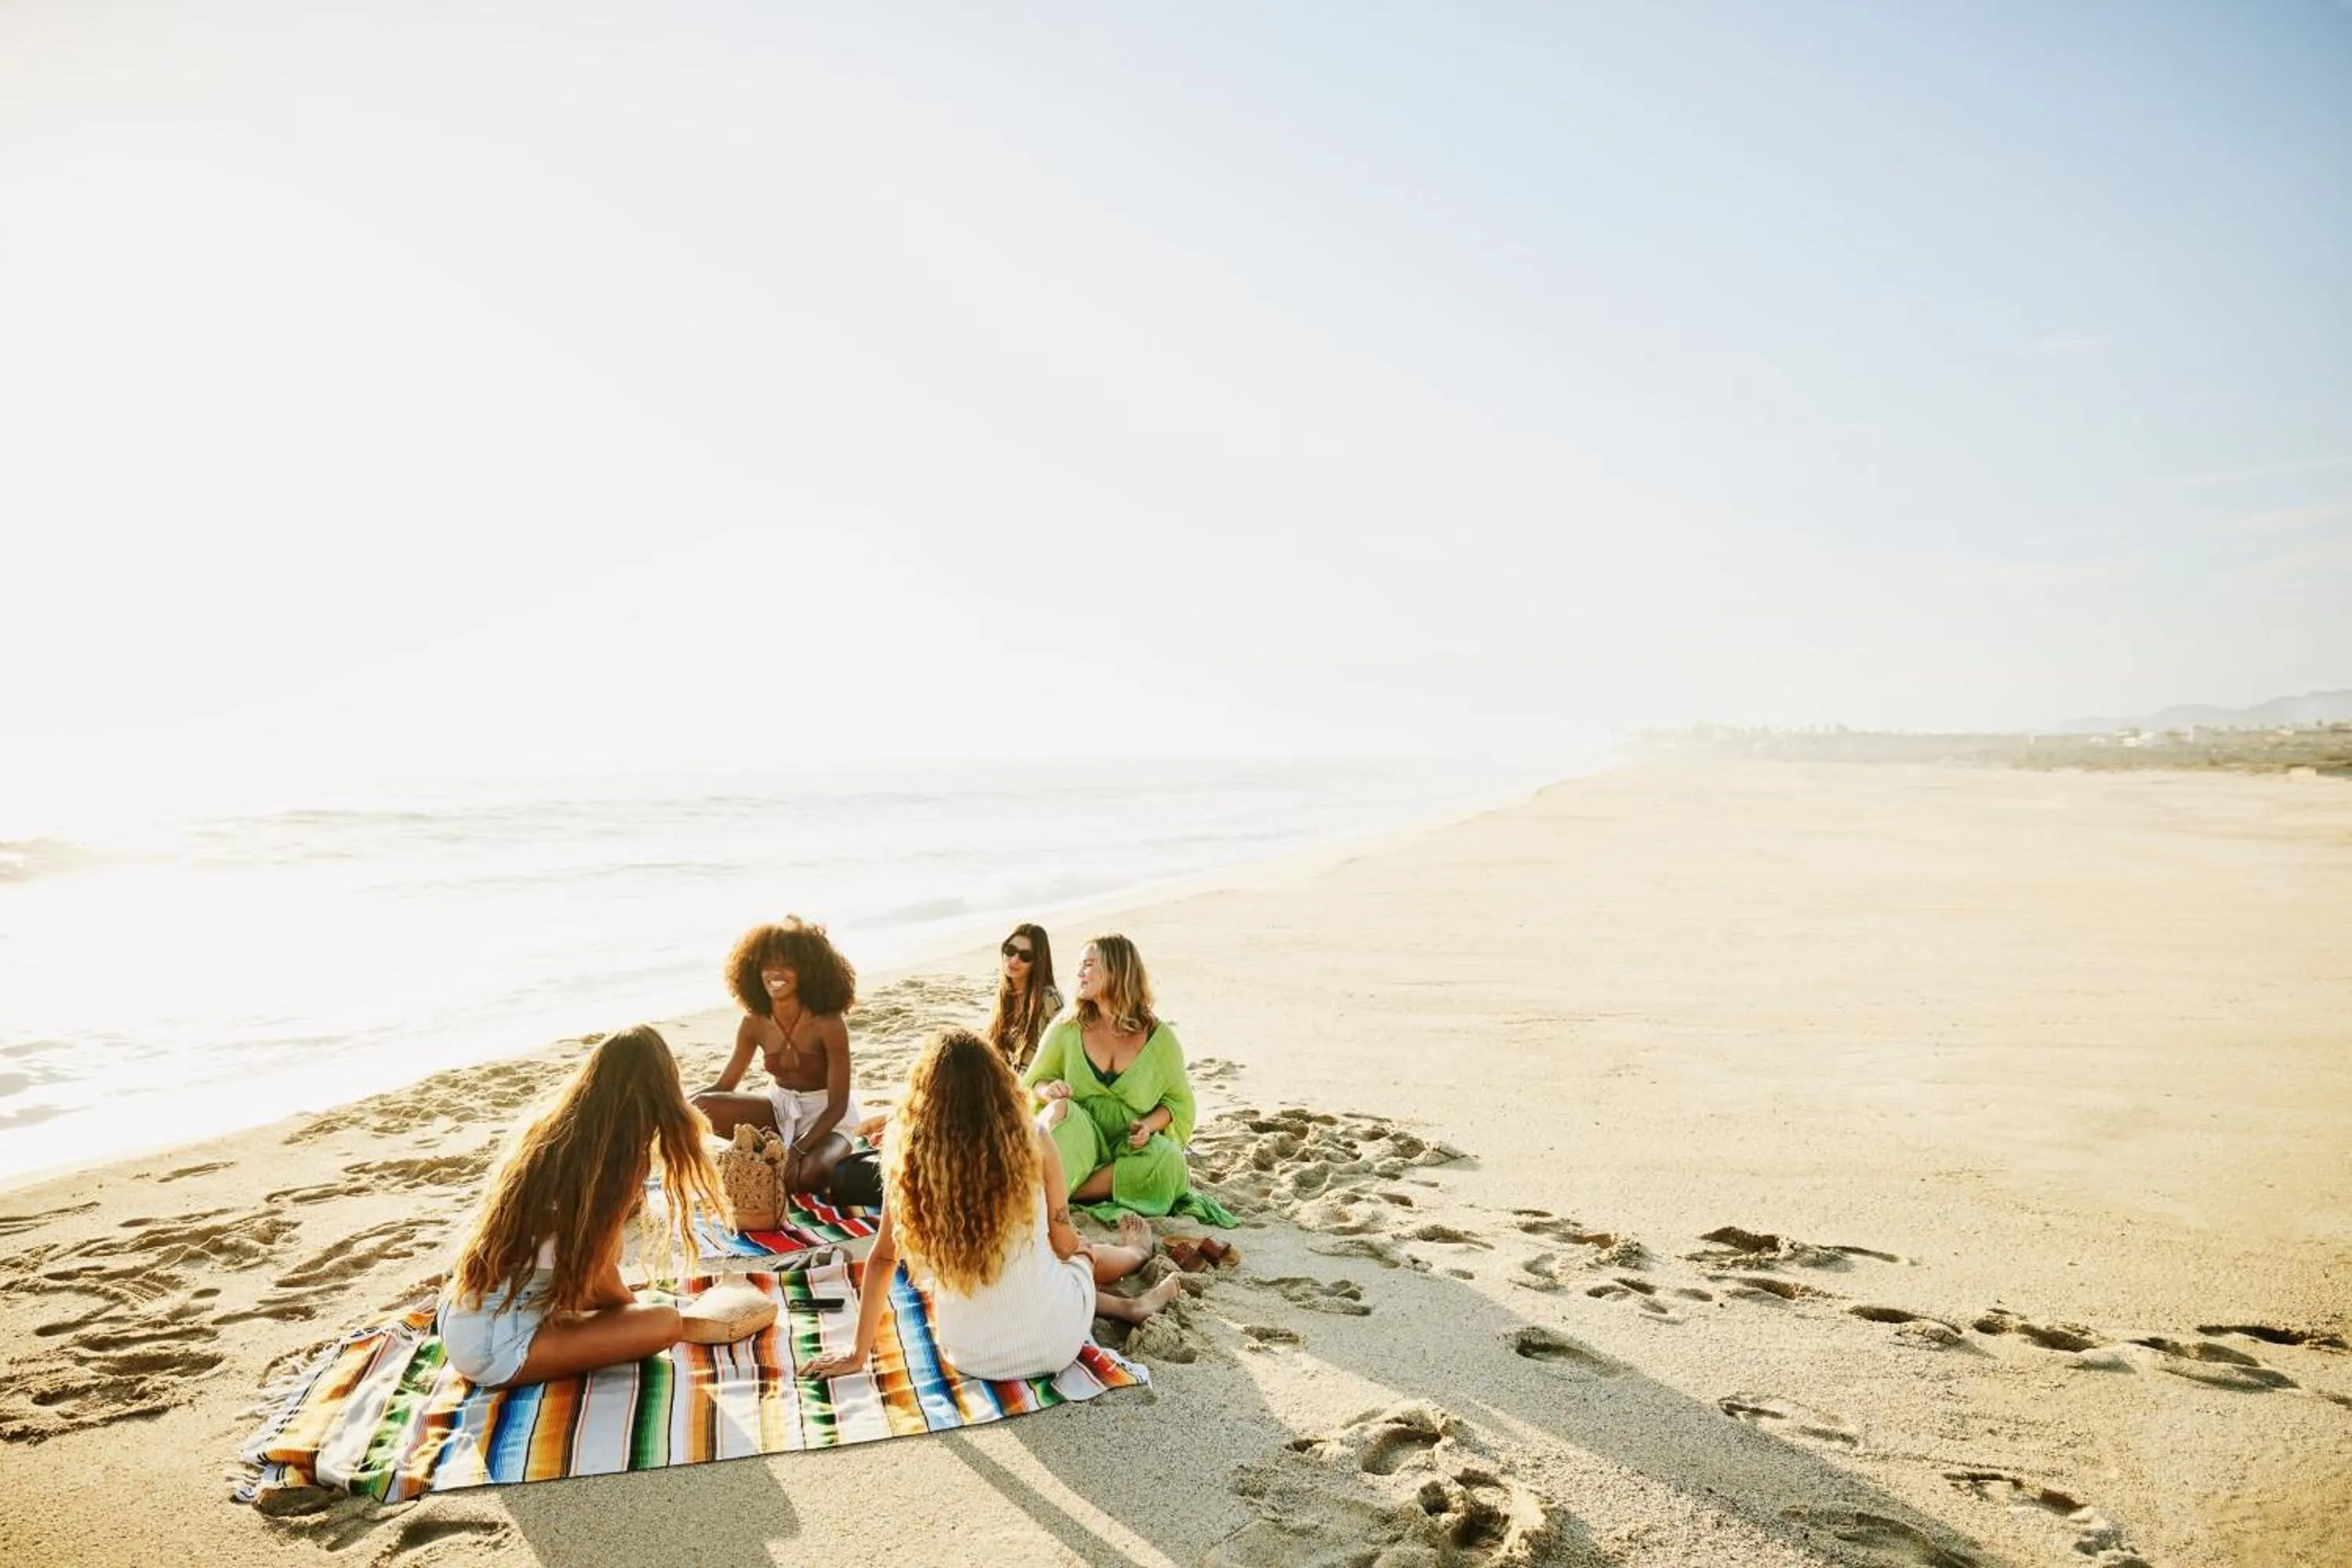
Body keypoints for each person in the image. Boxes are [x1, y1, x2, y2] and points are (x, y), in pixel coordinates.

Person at [804, 1028, 1181, 1383]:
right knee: (1072, 1255)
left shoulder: (910, 1158)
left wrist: (857, 1353)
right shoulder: (1035, 1139)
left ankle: (1130, 1304)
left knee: (1036, 1264)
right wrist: (1077, 1248)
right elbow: (1063, 1245)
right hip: (1055, 1346)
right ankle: (1135, 1257)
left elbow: (884, 1258)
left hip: (969, 1354)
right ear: (997, 1087)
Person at [437, 1025, 724, 1387]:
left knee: (639, 1312)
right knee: (666, 1323)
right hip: (497, 1345)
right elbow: (599, 1279)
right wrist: (636, 1312)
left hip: (462, 1315)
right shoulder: (619, 1164)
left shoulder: (551, 1134)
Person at [1021, 934, 1235, 1224]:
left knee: (1170, 1162)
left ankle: (1070, 1191)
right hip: (1084, 1138)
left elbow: (1177, 1104)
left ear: (1116, 970)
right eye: (1080, 965)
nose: (1080, 972)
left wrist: (1146, 1127)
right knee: (1060, 1113)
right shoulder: (1067, 1026)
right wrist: (1049, 1090)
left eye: (1089, 964)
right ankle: (1062, 1188)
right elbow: (1033, 1082)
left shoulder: (1159, 1039)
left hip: (1129, 1149)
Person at [694, 917, 862, 1195]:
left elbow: (838, 1105)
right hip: (778, 1107)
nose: (775, 972)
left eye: (787, 964)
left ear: (808, 970)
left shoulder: (828, 1024)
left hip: (827, 1118)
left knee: (809, 1176)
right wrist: (678, 1109)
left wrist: (796, 1149)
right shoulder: (754, 1022)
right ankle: (764, 1161)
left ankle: (785, 1161)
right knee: (701, 1106)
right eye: (767, 964)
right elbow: (725, 1086)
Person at [983, 922, 1062, 1073]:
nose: (1014, 960)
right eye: (1010, 950)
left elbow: (1064, 1053)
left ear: (1037, 962)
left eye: (1025, 956)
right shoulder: (1004, 996)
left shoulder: (1049, 998)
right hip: (1006, 1086)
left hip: (1035, 1088)